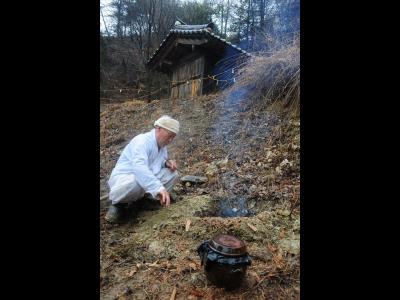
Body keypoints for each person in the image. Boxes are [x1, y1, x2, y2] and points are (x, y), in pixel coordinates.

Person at [105, 115, 180, 223]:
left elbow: (156, 163)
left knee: (172, 173)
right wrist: (158, 188)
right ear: (158, 129)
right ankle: (118, 205)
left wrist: (166, 163)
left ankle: (147, 201)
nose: (171, 140)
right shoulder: (142, 141)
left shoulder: (162, 146)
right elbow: (140, 168)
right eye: (169, 136)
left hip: (144, 180)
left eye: (173, 137)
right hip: (125, 180)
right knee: (136, 181)